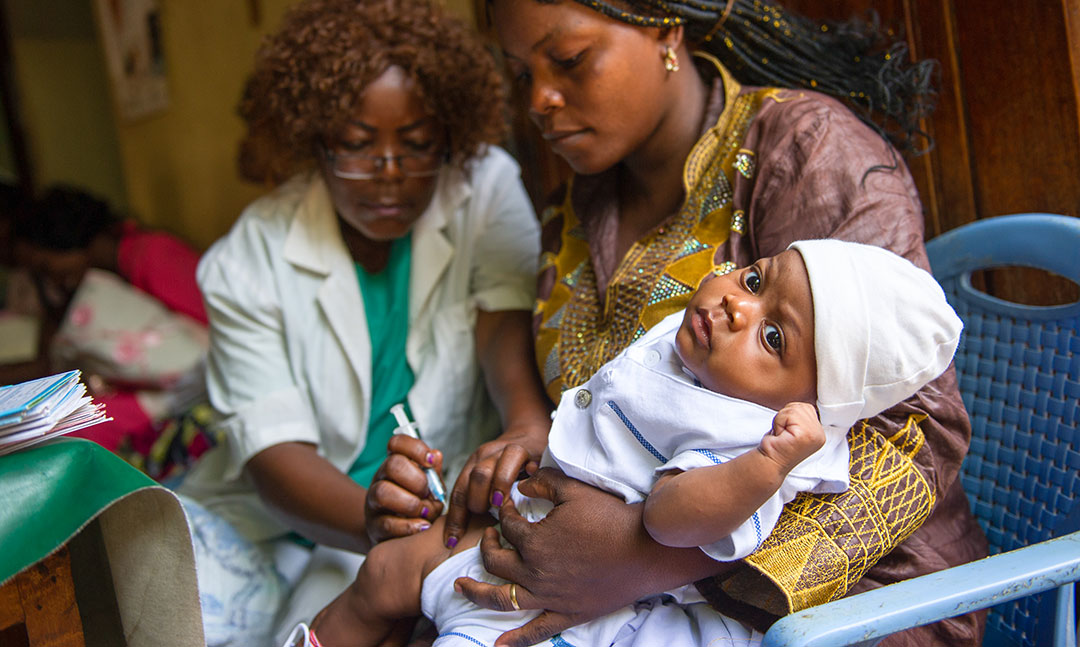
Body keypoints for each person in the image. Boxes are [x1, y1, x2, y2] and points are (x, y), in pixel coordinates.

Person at [367, 0, 989, 646]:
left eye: (568, 60)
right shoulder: (583, 203)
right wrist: (517, 453)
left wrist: (640, 558)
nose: (538, 100)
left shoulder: (805, 152)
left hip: (853, 607)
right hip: (622, 605)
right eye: (520, 72)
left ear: (664, 27)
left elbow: (917, 436)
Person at [300, 239, 963, 647]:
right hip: (521, 537)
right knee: (382, 572)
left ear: (802, 407)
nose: (738, 306)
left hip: (585, 608)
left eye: (774, 338)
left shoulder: (748, 440)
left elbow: (669, 518)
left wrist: (765, 466)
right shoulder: (694, 354)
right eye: (756, 281)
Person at [176, 0, 550, 647]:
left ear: (452, 136)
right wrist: (372, 515)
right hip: (294, 516)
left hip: (428, 512)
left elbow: (502, 321)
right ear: (315, 140)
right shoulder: (249, 258)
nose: (388, 175)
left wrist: (525, 420)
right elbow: (274, 454)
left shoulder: (482, 185)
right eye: (355, 145)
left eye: (416, 144)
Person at [10, 185, 212, 475]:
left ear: (69, 241)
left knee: (74, 436)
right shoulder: (98, 279)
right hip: (155, 389)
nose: (50, 277)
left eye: (46, 265)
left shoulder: (152, 254)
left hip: (192, 385)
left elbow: (205, 332)